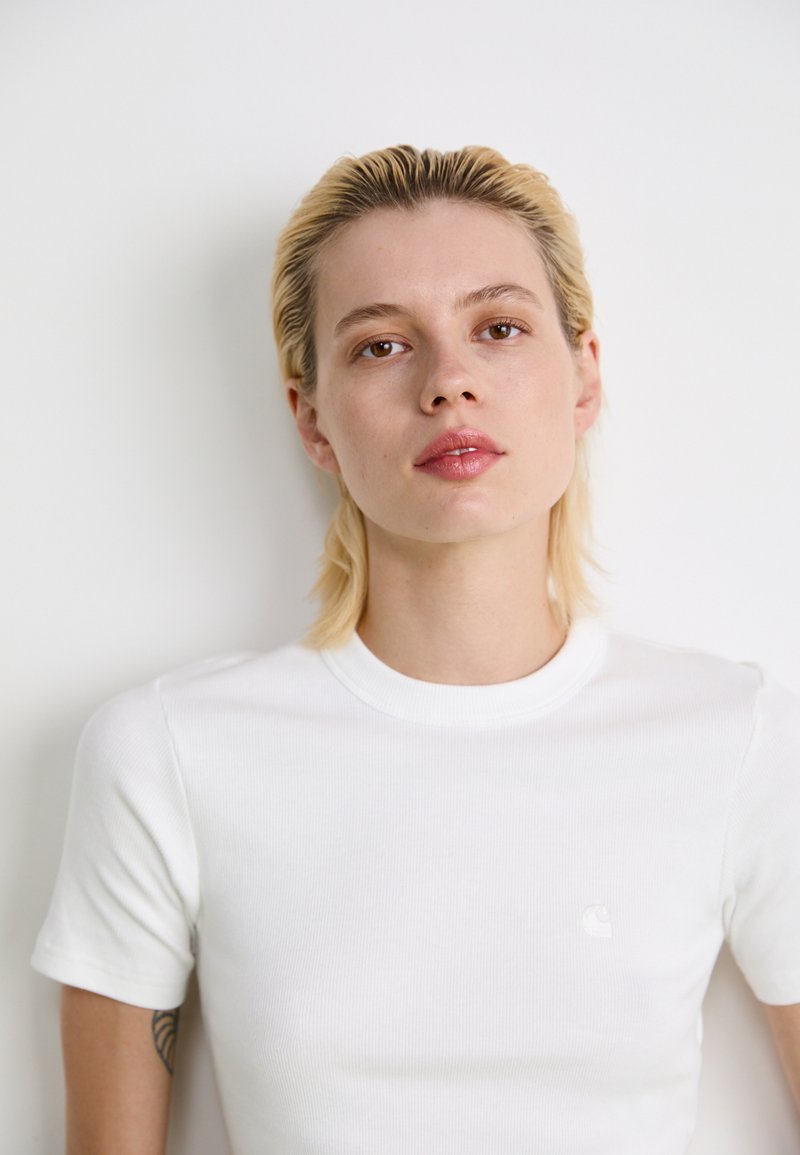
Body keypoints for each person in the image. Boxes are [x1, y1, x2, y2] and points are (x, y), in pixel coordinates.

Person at [33, 144, 800, 1154]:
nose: (449, 383)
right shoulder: (168, 752)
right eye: (381, 346)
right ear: (310, 417)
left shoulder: (738, 735)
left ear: (583, 377)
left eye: (498, 328)